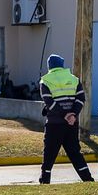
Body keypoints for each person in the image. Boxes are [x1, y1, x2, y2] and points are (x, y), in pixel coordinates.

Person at [38, 54, 94, 184]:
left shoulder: (45, 81)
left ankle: (45, 181)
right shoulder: (74, 79)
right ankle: (88, 180)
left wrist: (64, 114)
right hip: (71, 124)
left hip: (54, 124)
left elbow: (49, 103)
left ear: (49, 66)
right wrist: (72, 114)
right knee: (75, 153)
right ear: (62, 65)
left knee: (49, 154)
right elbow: (81, 99)